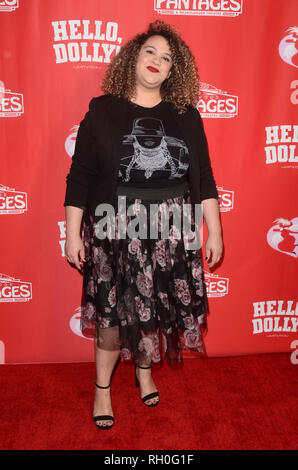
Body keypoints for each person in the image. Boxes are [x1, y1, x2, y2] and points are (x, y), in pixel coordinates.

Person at [63, 20, 223, 430]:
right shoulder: (102, 110)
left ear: (174, 71)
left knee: (153, 310)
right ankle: (103, 388)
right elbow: (80, 175)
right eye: (150, 51)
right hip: (114, 230)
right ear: (133, 58)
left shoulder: (186, 116)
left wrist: (215, 229)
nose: (157, 60)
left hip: (170, 230)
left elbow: (202, 175)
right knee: (113, 317)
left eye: (167, 57)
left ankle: (145, 372)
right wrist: (71, 231)